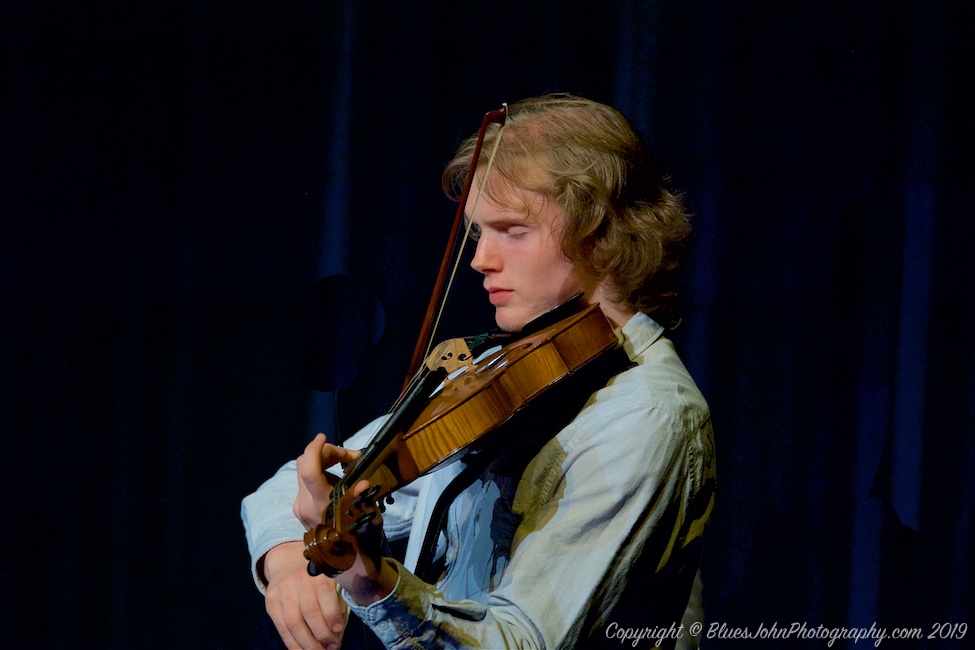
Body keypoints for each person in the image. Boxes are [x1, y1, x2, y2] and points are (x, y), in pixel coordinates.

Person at [241, 93, 716, 650]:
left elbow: (520, 641)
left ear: (600, 230)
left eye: (511, 230)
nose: (480, 260)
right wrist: (291, 561)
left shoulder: (645, 415)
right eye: (476, 233)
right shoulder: (501, 370)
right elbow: (283, 492)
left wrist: (370, 583)